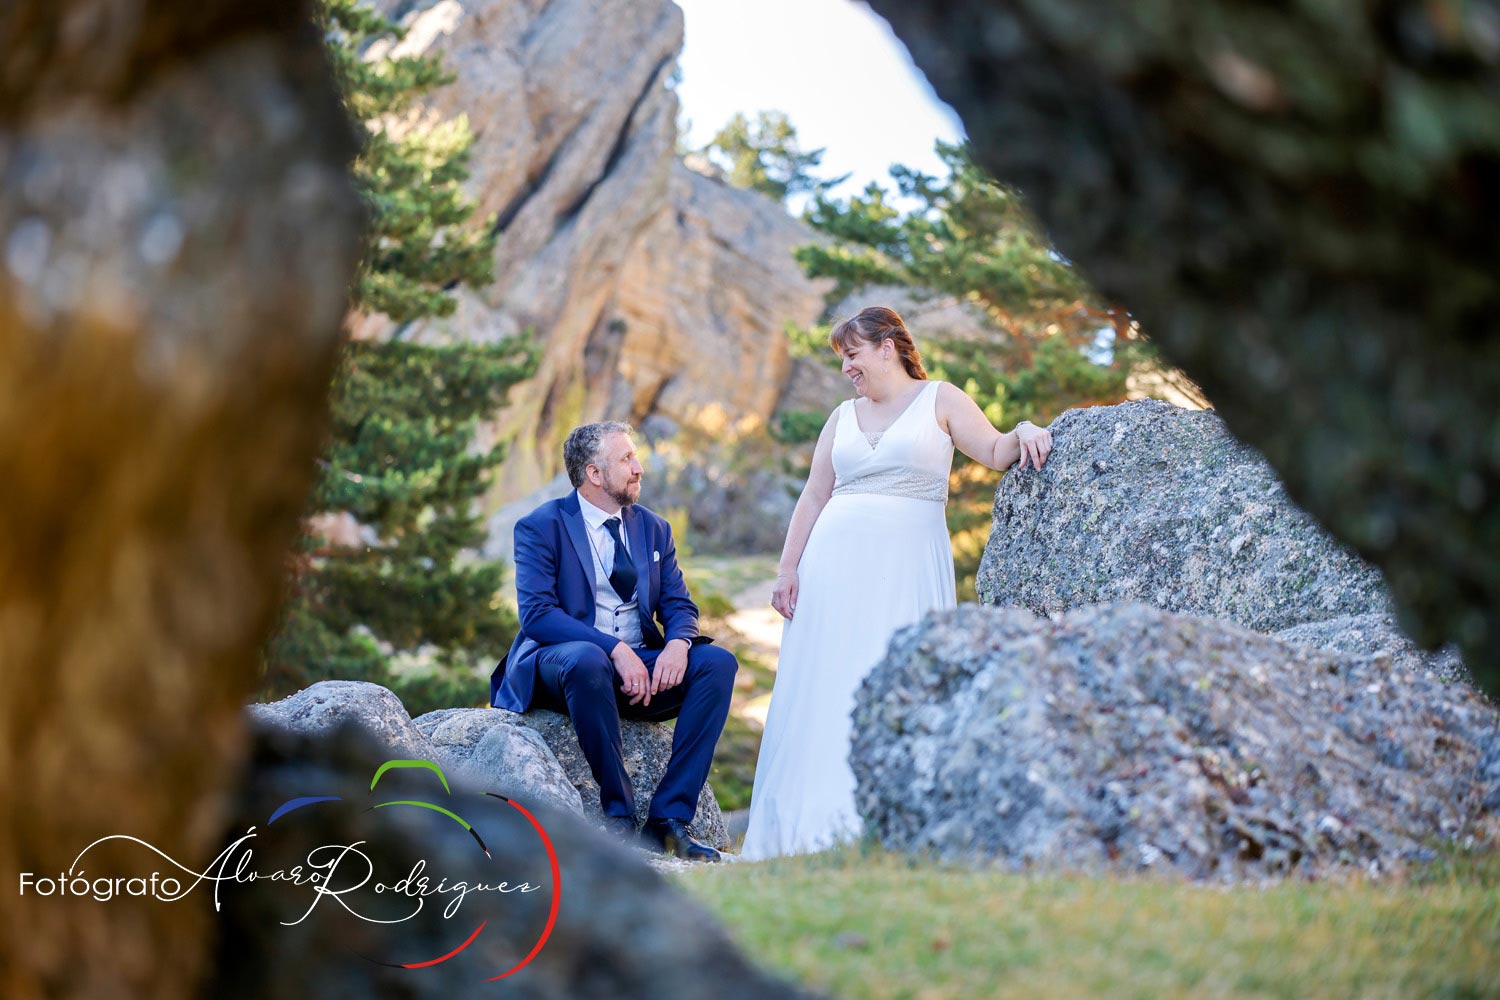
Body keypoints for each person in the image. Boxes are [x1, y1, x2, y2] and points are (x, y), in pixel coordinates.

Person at [739, 306, 1053, 860]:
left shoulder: (942, 400)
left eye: (852, 355)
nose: (846, 369)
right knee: (825, 684)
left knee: (892, 675)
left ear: (888, 346)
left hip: (906, 568)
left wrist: (1026, 429)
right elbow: (814, 494)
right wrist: (788, 570)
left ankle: (884, 829)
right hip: (831, 570)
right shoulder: (841, 416)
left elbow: (997, 450)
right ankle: (803, 833)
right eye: (842, 359)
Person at [490, 421, 738, 862]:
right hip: (566, 667)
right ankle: (618, 819)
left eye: (636, 458)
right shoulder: (540, 527)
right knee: (588, 659)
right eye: (626, 459)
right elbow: (538, 616)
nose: (639, 468)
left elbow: (679, 604)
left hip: (636, 667)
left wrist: (679, 644)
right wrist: (615, 651)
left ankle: (669, 819)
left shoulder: (653, 528)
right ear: (594, 474)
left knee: (717, 664)